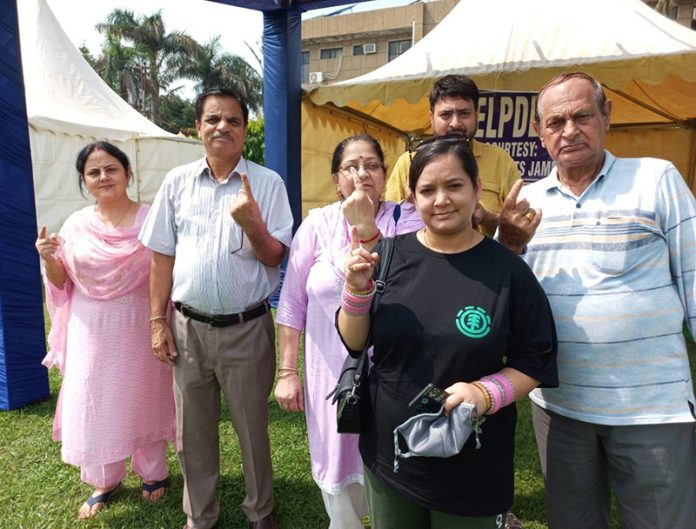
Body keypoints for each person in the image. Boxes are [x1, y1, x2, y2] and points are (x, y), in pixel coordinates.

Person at [498, 71, 696, 529]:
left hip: (652, 408)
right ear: (540, 133)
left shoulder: (655, 178)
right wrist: (507, 246)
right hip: (561, 407)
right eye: (556, 121)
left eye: (582, 115)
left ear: (607, 116)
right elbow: (504, 303)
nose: (569, 130)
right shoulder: (524, 203)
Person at [337, 135, 558, 529]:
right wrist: (356, 289)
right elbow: (355, 341)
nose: (441, 200)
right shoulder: (387, 255)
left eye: (454, 186)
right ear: (412, 197)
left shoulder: (508, 271)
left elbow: (536, 359)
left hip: (473, 462)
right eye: (428, 190)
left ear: (477, 190)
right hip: (391, 455)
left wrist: (484, 393)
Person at [139, 88, 293, 529]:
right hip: (186, 327)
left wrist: (253, 224)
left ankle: (260, 511)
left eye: (232, 120)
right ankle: (199, 515)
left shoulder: (267, 183)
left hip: (246, 328)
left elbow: (274, 256)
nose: (222, 126)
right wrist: (157, 322)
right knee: (193, 432)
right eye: (212, 119)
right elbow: (161, 256)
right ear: (198, 128)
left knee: (252, 428)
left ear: (245, 130)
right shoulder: (176, 181)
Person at [274, 134, 424, 529]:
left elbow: (415, 283)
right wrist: (287, 372)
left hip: (397, 373)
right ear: (335, 179)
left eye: (372, 165)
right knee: (337, 458)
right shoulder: (317, 224)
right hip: (331, 372)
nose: (362, 174)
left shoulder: (409, 219)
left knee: (398, 462)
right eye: (351, 167)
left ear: (385, 173)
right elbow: (292, 303)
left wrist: (365, 225)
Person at [36, 141, 175, 520]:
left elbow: (169, 272)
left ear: (128, 173)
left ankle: (152, 473)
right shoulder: (77, 225)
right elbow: (63, 281)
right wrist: (49, 259)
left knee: (144, 395)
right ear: (84, 181)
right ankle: (105, 479)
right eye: (93, 172)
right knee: (95, 398)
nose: (103, 177)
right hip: (91, 328)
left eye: (111, 169)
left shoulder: (152, 219)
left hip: (140, 322)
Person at [384, 74, 520, 237]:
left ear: (477, 114)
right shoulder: (408, 162)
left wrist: (486, 217)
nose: (455, 123)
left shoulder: (500, 160)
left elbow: (521, 225)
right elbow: (388, 225)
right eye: (446, 115)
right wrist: (410, 206)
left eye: (464, 113)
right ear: (431, 118)